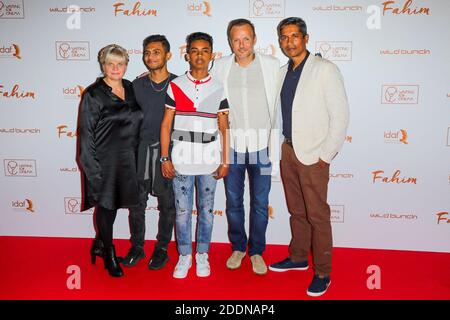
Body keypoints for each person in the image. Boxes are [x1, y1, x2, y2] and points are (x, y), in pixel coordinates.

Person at [268, 17, 349, 297]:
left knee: (317, 215)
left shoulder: (325, 69)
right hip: (288, 150)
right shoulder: (281, 72)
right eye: (284, 37)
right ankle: (299, 257)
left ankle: (323, 272)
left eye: (294, 36)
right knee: (297, 211)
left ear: (306, 38)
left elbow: (340, 116)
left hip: (314, 154)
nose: (289, 42)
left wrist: (325, 155)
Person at [212, 18, 280, 275]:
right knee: (233, 202)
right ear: (230, 41)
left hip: (262, 148)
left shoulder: (271, 66)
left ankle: (257, 251)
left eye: (246, 39)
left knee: (261, 203)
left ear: (255, 39)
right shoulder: (219, 67)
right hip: (232, 149)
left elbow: (279, 107)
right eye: (236, 39)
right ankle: (239, 247)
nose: (241, 45)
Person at [160, 32, 230, 279]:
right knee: (182, 211)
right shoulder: (176, 85)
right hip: (181, 159)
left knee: (207, 210)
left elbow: (223, 126)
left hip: (210, 159)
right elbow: (166, 124)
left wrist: (225, 160)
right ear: (187, 54)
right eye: (195, 50)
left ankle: (202, 254)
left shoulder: (219, 86)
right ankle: (184, 256)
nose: (200, 55)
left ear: (212, 54)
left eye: (205, 50)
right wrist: (165, 158)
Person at [77, 44, 143, 277]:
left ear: (126, 65)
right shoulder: (93, 94)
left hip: (129, 160)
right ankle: (109, 253)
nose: (115, 68)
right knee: (106, 207)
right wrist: (94, 173)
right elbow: (85, 137)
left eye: (120, 63)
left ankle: (98, 243)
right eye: (110, 63)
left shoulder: (131, 87)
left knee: (114, 206)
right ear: (103, 65)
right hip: (104, 162)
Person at [122, 35, 177, 270]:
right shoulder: (136, 85)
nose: (151, 57)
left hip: (169, 152)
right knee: (137, 204)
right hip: (139, 152)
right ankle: (137, 247)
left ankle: (162, 248)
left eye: (156, 52)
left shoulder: (179, 84)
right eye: (147, 52)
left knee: (167, 204)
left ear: (168, 55)